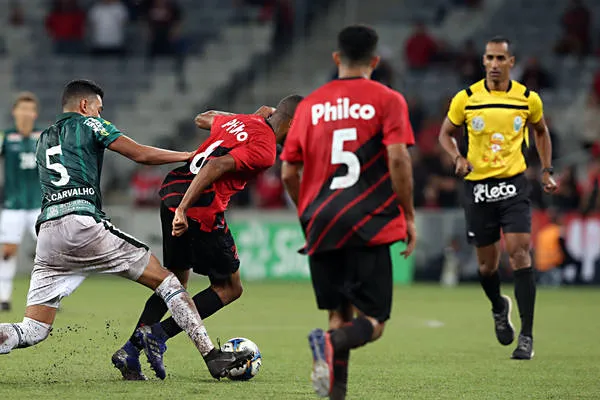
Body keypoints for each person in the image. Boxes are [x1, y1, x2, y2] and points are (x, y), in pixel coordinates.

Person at [0, 80, 253, 381]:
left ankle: (133, 355)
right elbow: (141, 155)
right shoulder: (91, 125)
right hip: (82, 224)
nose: (100, 114)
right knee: (169, 282)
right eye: (98, 108)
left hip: (49, 235)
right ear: (85, 106)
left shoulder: (42, 139)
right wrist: (187, 156)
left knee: (33, 329)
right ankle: (212, 356)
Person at [113, 95, 303, 381]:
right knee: (229, 287)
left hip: (172, 194)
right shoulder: (265, 149)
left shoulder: (244, 122)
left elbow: (202, 117)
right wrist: (186, 210)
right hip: (199, 209)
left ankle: (130, 349)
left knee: (172, 282)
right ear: (292, 123)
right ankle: (158, 334)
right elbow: (214, 167)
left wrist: (243, 119)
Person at [280, 25, 416, 399]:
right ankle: (328, 342)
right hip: (367, 221)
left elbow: (288, 170)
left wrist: (307, 214)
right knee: (373, 321)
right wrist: (408, 214)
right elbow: (399, 158)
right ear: (375, 61)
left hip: (322, 222)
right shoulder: (388, 100)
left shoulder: (309, 106)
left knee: (338, 316)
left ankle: (334, 384)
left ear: (336, 58)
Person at [438, 37, 558, 360]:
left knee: (520, 253)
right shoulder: (466, 99)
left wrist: (546, 170)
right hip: (478, 189)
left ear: (511, 61)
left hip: (513, 185)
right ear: (483, 61)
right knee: (486, 266)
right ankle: (497, 306)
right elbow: (444, 133)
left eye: (499, 58)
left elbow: (541, 131)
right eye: (489, 58)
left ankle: (527, 336)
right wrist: (457, 158)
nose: (493, 64)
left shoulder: (527, 99)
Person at [0, 92, 42, 311]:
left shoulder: (43, 138)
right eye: (22, 108)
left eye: (29, 109)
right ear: (14, 112)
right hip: (13, 205)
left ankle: (47, 297)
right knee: (7, 252)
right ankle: (4, 297)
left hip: (39, 205)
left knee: (49, 252)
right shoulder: (5, 137)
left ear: (35, 114)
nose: (25, 113)